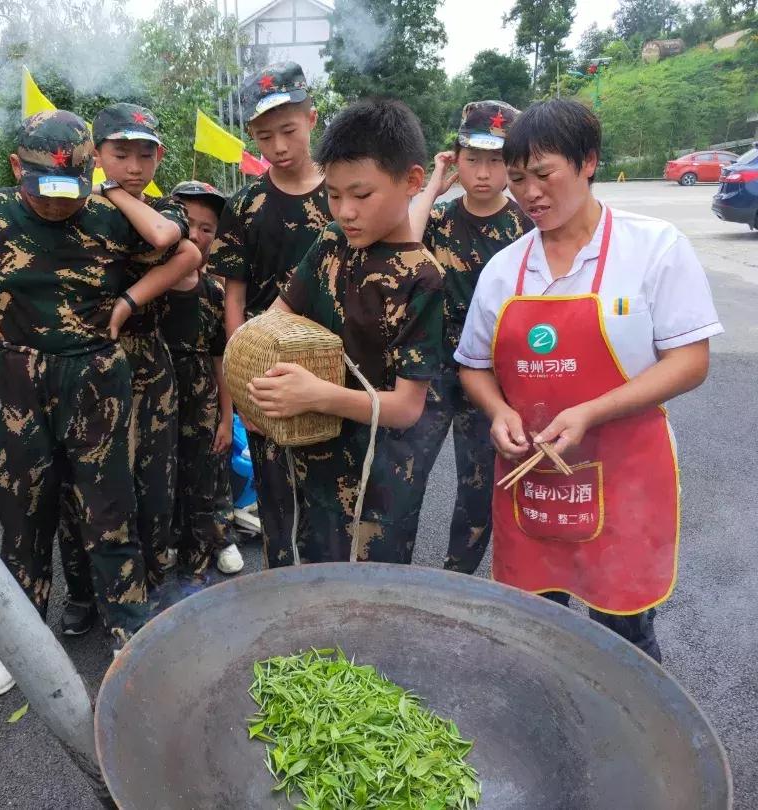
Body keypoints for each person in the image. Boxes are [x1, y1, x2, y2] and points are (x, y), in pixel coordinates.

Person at [0, 111, 199, 696]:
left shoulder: (115, 214)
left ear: (91, 173)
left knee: (110, 503)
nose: (57, 205)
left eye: (70, 191)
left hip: (94, 372)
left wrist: (128, 303)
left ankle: (128, 628)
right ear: (16, 169)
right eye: (44, 191)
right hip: (16, 376)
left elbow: (183, 252)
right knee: (22, 509)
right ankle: (22, 640)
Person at [456, 99, 723, 661]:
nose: (530, 193)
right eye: (520, 177)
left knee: (623, 635)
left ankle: (639, 740)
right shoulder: (504, 269)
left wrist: (590, 413)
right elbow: (473, 366)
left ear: (588, 163)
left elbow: (690, 360)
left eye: (545, 173)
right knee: (535, 629)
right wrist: (499, 411)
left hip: (624, 478)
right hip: (532, 481)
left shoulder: (653, 247)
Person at [0, 104, 194, 634]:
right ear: (97, 157)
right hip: (48, 367)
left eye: (144, 154)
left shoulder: (139, 210)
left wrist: (127, 301)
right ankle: (71, 604)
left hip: (126, 364)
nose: (132, 166)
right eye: (119, 154)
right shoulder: (18, 206)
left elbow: (175, 247)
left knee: (131, 494)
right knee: (46, 499)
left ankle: (143, 607)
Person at [249, 98, 447, 564]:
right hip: (312, 450)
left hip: (380, 472)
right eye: (334, 196)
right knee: (314, 568)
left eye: (361, 195)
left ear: (413, 182)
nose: (346, 211)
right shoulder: (331, 242)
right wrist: (256, 388)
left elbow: (405, 409)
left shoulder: (422, 279)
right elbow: (277, 318)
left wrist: (315, 395)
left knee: (369, 589)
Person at [397, 100, 532, 573]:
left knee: (478, 485)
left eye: (496, 160)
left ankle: (459, 578)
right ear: (457, 157)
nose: (483, 172)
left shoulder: (524, 226)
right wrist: (434, 185)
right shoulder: (437, 219)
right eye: (472, 159)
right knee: (406, 473)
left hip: (492, 372)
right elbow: (405, 247)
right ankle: (393, 573)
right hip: (433, 365)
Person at [209, 61, 331, 568]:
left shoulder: (343, 194)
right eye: (264, 136)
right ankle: (283, 591)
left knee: (333, 498)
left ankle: (334, 594)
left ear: (312, 119)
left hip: (335, 365)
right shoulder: (246, 204)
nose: (278, 146)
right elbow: (232, 299)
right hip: (268, 368)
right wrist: (243, 387)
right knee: (277, 498)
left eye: (288, 130)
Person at [157, 181, 243, 582]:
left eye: (207, 228)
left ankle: (220, 538)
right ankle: (169, 539)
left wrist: (227, 418)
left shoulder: (214, 294)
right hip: (156, 398)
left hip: (202, 400)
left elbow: (219, 359)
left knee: (210, 470)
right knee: (162, 472)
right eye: (187, 222)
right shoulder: (146, 288)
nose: (195, 234)